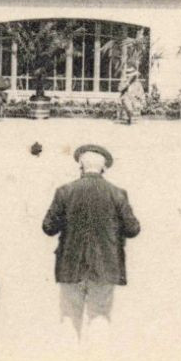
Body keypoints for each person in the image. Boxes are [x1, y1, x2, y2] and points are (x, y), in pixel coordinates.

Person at [42, 144, 141, 340]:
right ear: (104, 168)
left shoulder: (64, 191)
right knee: (100, 317)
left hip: (70, 266)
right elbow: (133, 229)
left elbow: (48, 227)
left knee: (69, 318)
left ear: (81, 165)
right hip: (105, 266)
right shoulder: (117, 193)